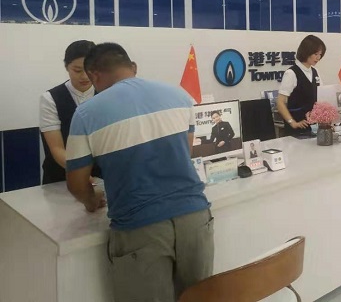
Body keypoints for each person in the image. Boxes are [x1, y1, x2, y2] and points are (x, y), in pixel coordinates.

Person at [65, 43, 213, 302]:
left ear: (94, 75)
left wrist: (91, 201)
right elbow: (185, 152)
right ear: (132, 67)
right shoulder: (179, 96)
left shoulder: (86, 113)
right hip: (196, 218)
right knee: (200, 298)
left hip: (140, 228)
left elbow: (76, 183)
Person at [39, 40, 102, 184]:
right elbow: (57, 148)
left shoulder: (107, 93)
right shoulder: (50, 98)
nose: (85, 76)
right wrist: (80, 174)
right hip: (61, 177)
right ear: (66, 67)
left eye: (90, 70)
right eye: (77, 70)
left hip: (101, 176)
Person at [277, 35, 326, 136]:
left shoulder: (315, 71)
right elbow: (280, 103)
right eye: (316, 54)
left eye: (320, 55)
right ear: (306, 52)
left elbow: (322, 97)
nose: (318, 58)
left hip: (313, 127)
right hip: (297, 129)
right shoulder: (291, 73)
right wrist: (292, 122)